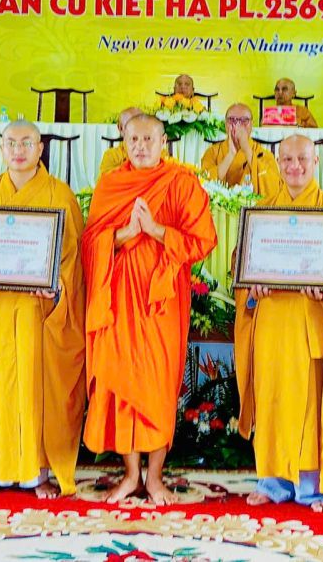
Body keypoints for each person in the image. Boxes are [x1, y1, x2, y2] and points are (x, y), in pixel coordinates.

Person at [83, 114, 217, 505]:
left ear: (163, 144)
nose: (140, 147)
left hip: (162, 301)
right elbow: (90, 243)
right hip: (118, 298)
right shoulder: (111, 184)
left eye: (148, 139)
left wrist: (157, 230)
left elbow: (203, 239)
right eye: (133, 140)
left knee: (157, 384)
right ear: (123, 143)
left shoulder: (180, 183)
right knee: (122, 380)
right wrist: (127, 233)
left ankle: (155, 477)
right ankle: (130, 475)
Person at [0, 121, 86, 498]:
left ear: (40, 149)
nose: (18, 150)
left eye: (27, 143)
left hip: (37, 313)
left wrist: (55, 287)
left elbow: (72, 261)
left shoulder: (60, 196)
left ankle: (36, 472)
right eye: (11, 143)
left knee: (34, 388)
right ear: (0, 148)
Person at [235, 135, 323, 512]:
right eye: (288, 159)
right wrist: (253, 289)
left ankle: (312, 487)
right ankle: (272, 481)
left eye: (303, 159)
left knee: (310, 406)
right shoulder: (262, 213)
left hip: (314, 323)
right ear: (277, 163)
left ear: (316, 162)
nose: (295, 166)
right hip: (272, 323)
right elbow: (242, 271)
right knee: (273, 400)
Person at [199, 102, 278, 193]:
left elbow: (271, 186)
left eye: (244, 120)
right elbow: (205, 182)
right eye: (232, 120)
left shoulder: (263, 154)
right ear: (225, 124)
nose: (237, 125)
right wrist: (231, 154)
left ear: (252, 124)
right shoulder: (212, 152)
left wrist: (247, 150)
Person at [99, 107, 146, 177]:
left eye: (142, 124)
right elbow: (107, 181)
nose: (138, 128)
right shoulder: (112, 156)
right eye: (131, 125)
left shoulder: (157, 153)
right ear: (120, 128)